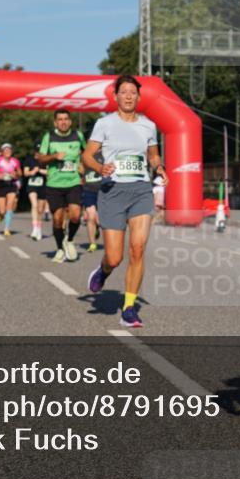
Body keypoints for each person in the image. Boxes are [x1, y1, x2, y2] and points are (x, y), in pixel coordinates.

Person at [84, 75, 168, 328]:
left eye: (133, 92)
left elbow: (153, 156)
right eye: (124, 92)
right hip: (112, 191)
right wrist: (100, 167)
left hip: (141, 190)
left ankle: (129, 308)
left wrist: (160, 167)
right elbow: (86, 156)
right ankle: (103, 271)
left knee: (138, 249)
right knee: (114, 257)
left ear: (138, 97)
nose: (129, 96)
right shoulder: (104, 124)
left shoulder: (148, 126)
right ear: (116, 96)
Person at [35, 109, 87, 262]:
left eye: (66, 119)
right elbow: (41, 159)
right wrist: (54, 156)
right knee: (57, 219)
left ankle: (69, 240)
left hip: (73, 182)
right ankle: (59, 248)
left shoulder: (78, 136)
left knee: (76, 215)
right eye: (60, 119)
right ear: (55, 122)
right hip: (55, 184)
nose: (63, 122)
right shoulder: (49, 137)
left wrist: (83, 164)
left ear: (70, 121)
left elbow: (86, 152)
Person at [0, 143, 22, 236]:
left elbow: (20, 173)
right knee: (2, 211)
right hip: (1, 185)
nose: (7, 152)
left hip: (11, 185)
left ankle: (6, 229)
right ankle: (0, 215)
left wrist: (15, 174)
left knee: (10, 206)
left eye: (9, 150)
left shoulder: (15, 161)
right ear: (2, 152)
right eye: (5, 150)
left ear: (11, 152)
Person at [80, 151, 103, 252]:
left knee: (99, 219)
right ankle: (92, 243)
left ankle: (97, 226)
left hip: (103, 190)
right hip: (88, 190)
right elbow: (80, 170)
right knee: (91, 216)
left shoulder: (106, 154)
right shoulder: (85, 155)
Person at [23, 153, 47, 240]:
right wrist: (32, 172)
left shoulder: (45, 160)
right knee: (34, 205)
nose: (37, 154)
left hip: (43, 186)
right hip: (31, 185)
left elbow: (50, 172)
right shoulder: (29, 160)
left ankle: (39, 228)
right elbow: (25, 173)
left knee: (40, 209)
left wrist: (40, 170)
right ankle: (34, 228)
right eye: (36, 151)